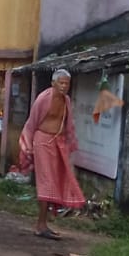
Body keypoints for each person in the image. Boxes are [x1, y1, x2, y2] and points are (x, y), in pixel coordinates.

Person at [18, 69, 86, 239]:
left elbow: (68, 124)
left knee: (57, 180)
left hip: (58, 143)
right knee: (47, 182)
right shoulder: (44, 98)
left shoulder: (66, 100)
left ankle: (44, 223)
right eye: (61, 83)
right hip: (42, 141)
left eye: (67, 83)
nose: (64, 86)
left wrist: (68, 142)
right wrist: (28, 145)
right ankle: (40, 225)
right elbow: (32, 122)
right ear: (53, 83)